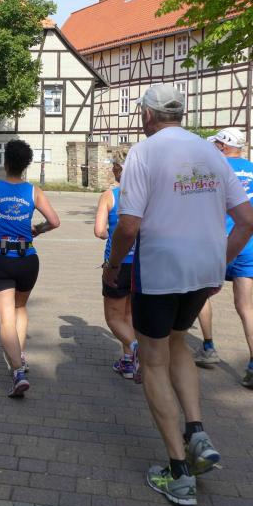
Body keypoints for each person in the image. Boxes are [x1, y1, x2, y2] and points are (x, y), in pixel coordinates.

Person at [104, 84, 253, 506]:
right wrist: (219, 263)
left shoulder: (143, 153)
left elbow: (129, 225)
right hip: (202, 271)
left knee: (153, 361)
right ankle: (196, 432)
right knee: (178, 343)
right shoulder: (212, 153)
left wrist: (113, 264)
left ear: (147, 115)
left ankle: (178, 472)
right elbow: (248, 221)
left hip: (160, 271)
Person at [0, 140, 60, 398]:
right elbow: (54, 221)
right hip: (27, 258)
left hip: (0, 258)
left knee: (6, 319)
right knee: (20, 308)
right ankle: (20, 357)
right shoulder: (34, 191)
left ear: (5, 161)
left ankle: (18, 371)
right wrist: (38, 230)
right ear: (26, 165)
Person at [194, 128, 253, 389]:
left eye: (216, 144)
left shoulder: (212, 169)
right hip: (247, 246)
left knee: (201, 295)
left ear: (223, 146)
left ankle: (208, 348)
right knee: (245, 307)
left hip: (216, 245)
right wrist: (249, 205)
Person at [94, 160, 139, 382]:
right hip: (141, 264)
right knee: (129, 314)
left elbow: (99, 231)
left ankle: (137, 349)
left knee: (113, 318)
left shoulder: (109, 196)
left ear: (116, 172)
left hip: (116, 263)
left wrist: (108, 233)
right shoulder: (145, 196)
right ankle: (128, 362)